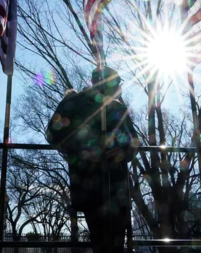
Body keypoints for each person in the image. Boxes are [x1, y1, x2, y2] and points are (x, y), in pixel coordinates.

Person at [46, 67, 138, 252]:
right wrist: (85, 150)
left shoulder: (118, 108)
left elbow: (134, 142)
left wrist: (123, 152)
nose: (118, 89)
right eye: (116, 84)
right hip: (89, 182)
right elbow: (53, 135)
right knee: (102, 243)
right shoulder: (74, 102)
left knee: (116, 243)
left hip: (117, 184)